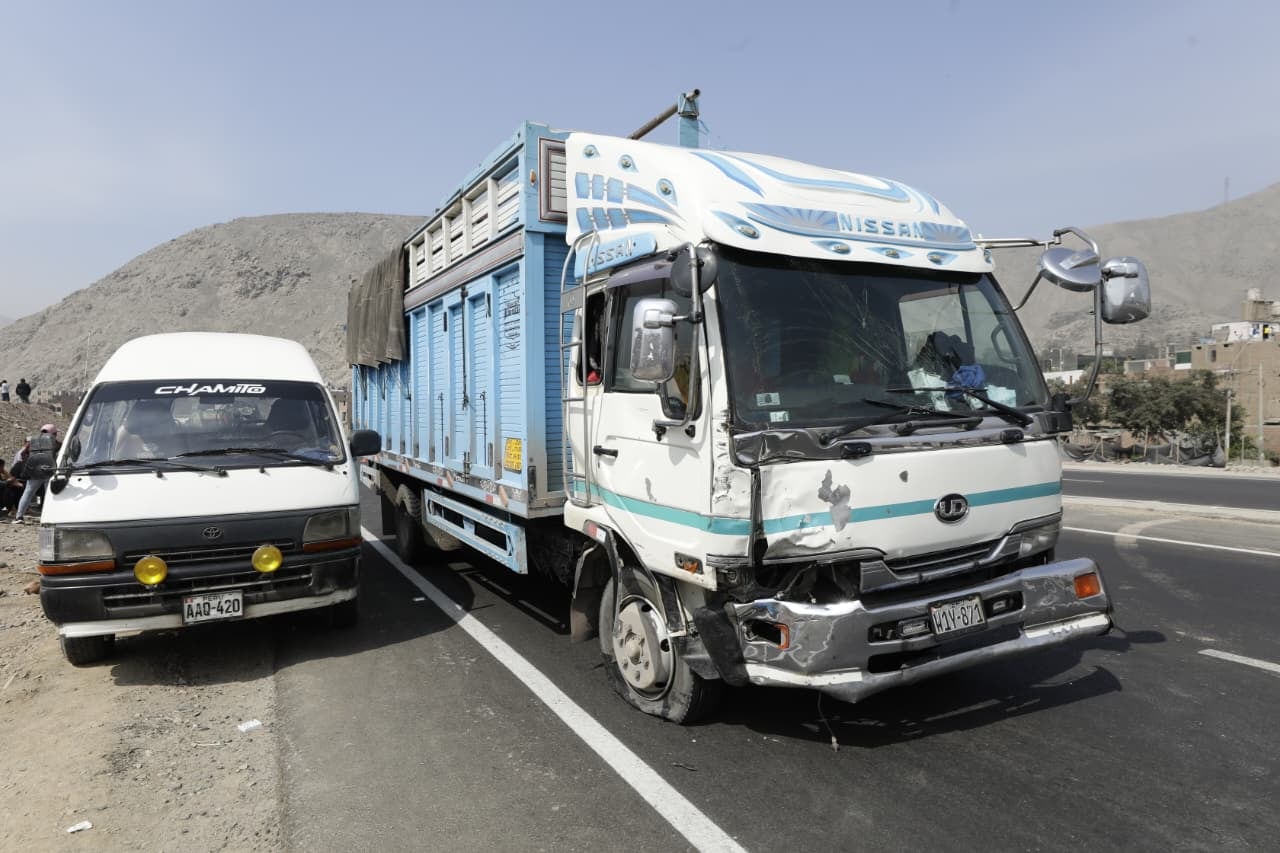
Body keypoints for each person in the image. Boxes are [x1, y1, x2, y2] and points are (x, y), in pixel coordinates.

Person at [14, 424, 59, 524]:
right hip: (49, 471)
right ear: (53, 433)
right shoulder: (54, 442)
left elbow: (22, 454)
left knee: (28, 494)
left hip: (34, 472)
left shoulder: (32, 441)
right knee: (50, 495)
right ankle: (50, 517)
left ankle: (19, 517)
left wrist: (30, 463)